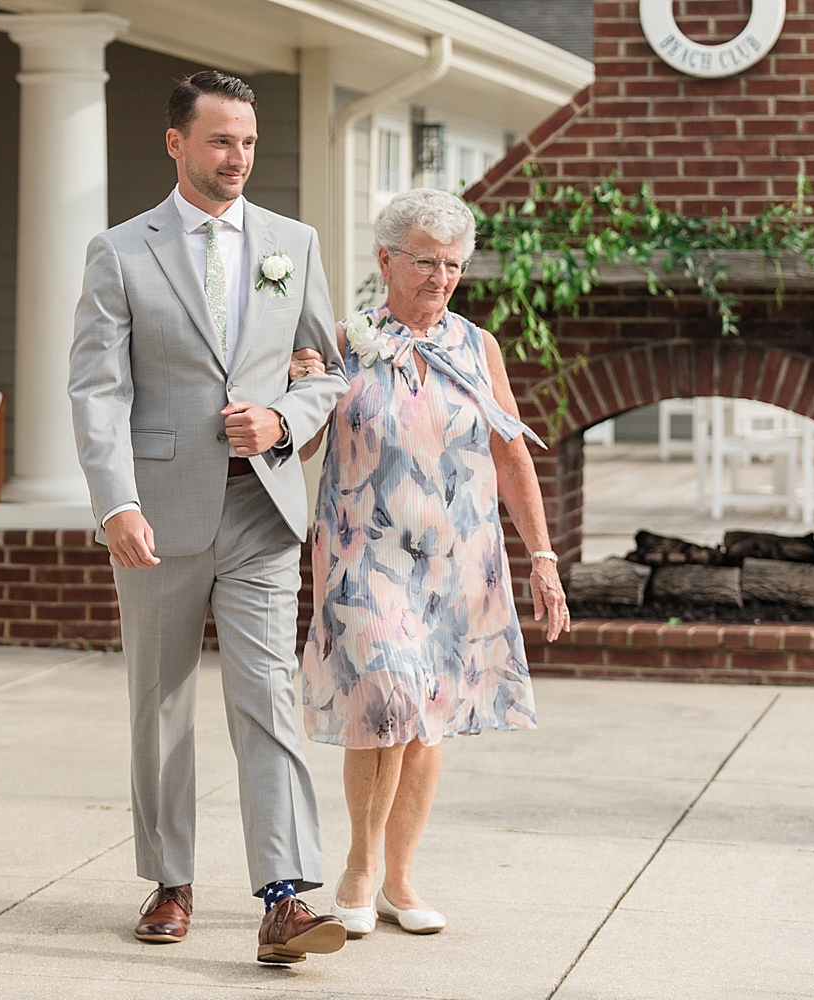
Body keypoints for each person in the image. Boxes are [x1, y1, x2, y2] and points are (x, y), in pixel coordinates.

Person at [68, 70, 351, 965]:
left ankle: (285, 898)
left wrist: (282, 422)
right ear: (177, 143)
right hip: (156, 511)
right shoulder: (120, 251)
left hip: (261, 508)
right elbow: (96, 390)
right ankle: (171, 880)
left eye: (250, 143)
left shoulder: (291, 242)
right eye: (223, 140)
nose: (239, 158)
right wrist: (114, 501)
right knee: (161, 703)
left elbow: (330, 372)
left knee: (267, 696)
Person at [289, 188, 569, 938]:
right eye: (424, 262)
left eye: (452, 265)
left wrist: (541, 556)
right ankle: (360, 864)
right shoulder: (344, 339)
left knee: (427, 711)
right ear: (385, 260)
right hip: (363, 551)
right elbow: (303, 448)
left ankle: (401, 878)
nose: (439, 278)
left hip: (459, 556)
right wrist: (296, 386)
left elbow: (511, 454)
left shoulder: (478, 347)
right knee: (387, 691)